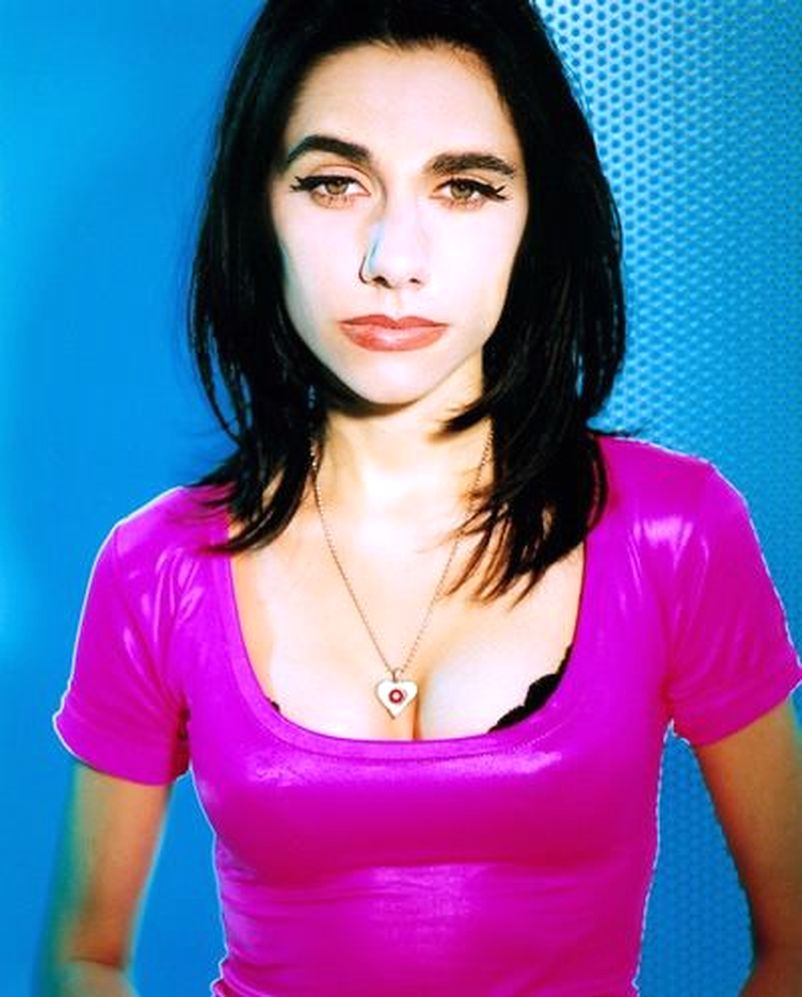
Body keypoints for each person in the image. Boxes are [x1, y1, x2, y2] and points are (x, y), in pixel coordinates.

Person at [39, 1, 802, 994]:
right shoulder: (156, 567)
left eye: (465, 186)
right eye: (333, 183)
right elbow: (83, 955)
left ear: (536, 217)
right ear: (258, 210)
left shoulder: (674, 529)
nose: (393, 260)